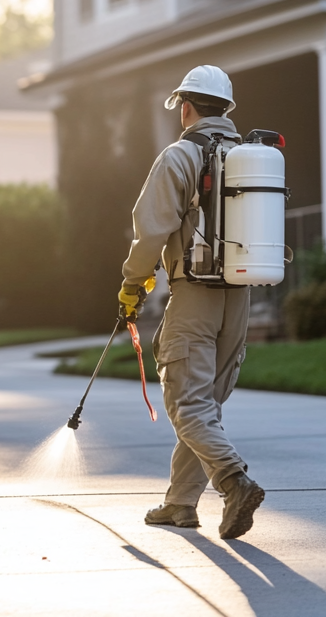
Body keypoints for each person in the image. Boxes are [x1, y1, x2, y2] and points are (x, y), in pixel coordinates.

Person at [117, 64, 264, 539]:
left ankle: (234, 480)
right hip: (239, 297)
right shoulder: (250, 156)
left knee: (187, 403)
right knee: (205, 405)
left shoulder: (180, 155)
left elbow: (151, 228)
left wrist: (132, 283)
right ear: (227, 109)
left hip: (195, 293)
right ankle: (180, 503)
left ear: (186, 107)